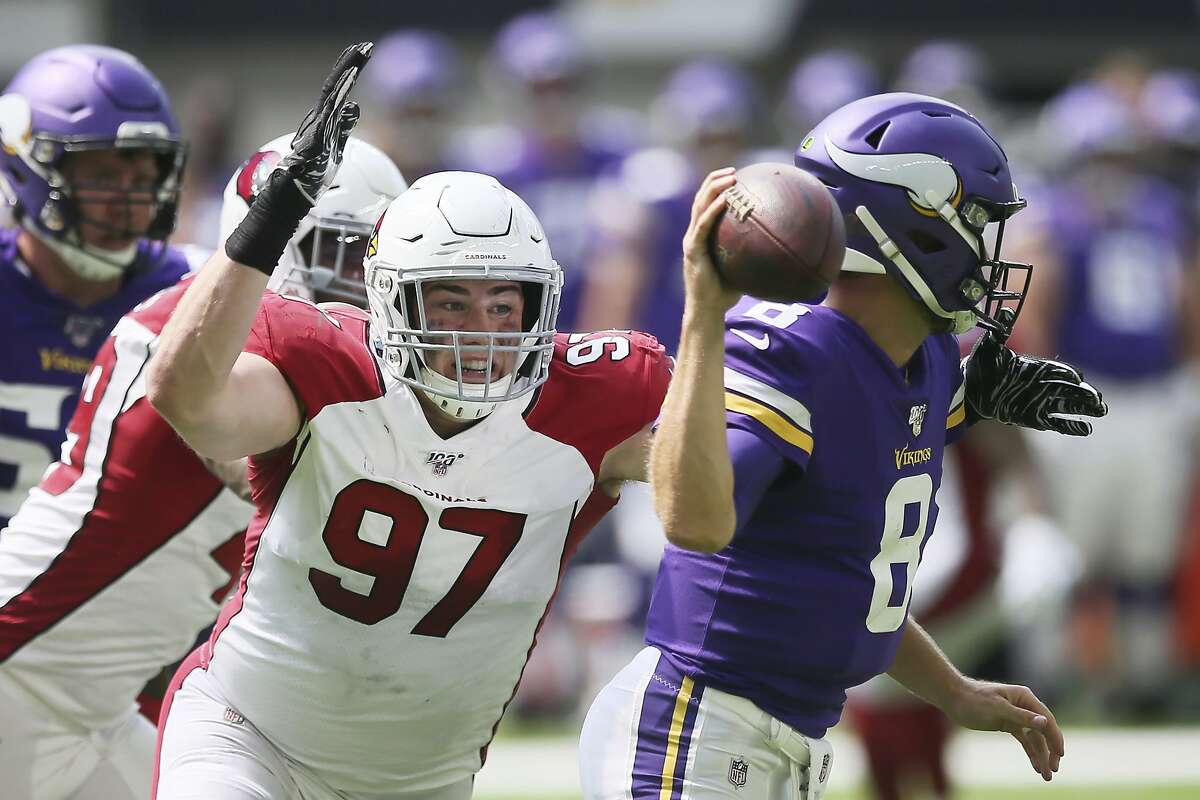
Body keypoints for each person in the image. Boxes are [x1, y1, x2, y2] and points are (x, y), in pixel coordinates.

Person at [147, 44, 671, 800]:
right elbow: (187, 399)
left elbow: (735, 475)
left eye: (504, 305)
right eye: (450, 302)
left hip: (421, 779)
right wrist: (267, 226)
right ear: (391, 301)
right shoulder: (334, 367)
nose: (478, 335)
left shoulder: (587, 402)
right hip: (247, 735)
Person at [579, 92, 1108, 799]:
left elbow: (851, 590)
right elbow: (694, 524)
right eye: (978, 224)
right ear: (913, 229)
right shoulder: (788, 353)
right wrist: (704, 316)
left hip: (777, 736)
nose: (989, 252)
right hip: (695, 731)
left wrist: (951, 689)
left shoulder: (930, 361)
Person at [0, 132, 404, 800]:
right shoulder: (194, 346)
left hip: (90, 706)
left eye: (377, 262)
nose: (364, 285)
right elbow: (277, 469)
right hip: (18, 668)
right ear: (272, 235)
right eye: (343, 254)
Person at [0, 44, 194, 530]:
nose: (128, 203)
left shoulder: (190, 290)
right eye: (105, 175)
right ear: (28, 167)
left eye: (144, 178)